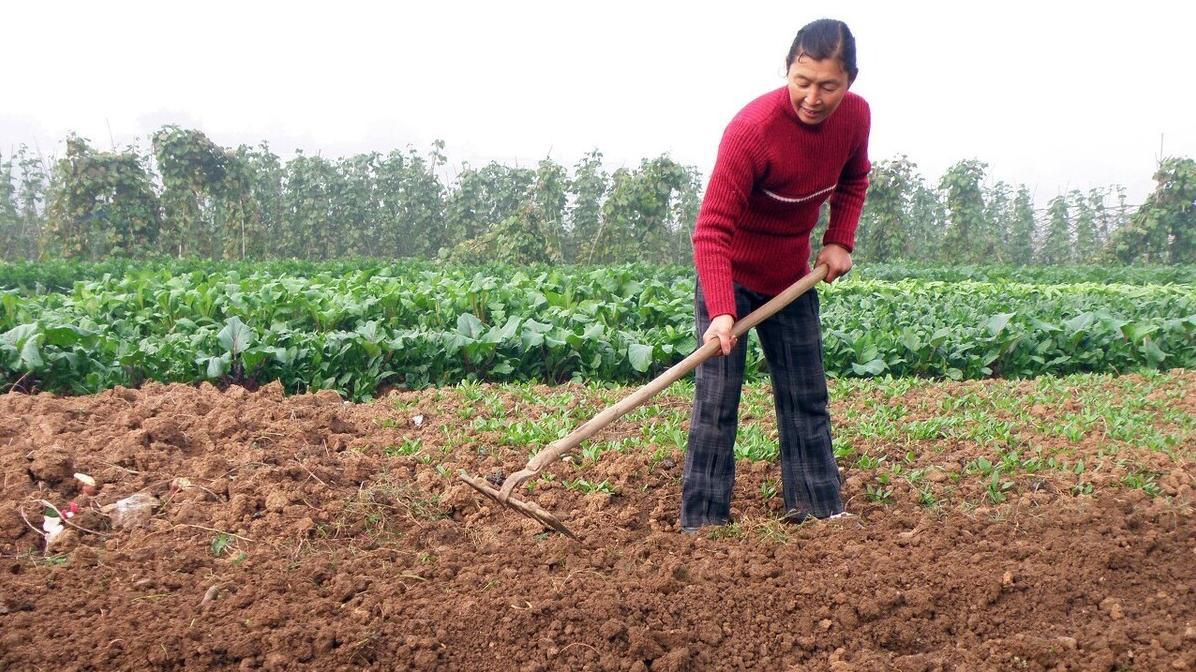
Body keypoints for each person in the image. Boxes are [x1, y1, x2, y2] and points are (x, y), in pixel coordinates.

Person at [681, 18, 870, 531]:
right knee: (716, 403)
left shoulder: (855, 118)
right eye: (802, 82)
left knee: (804, 395)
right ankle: (703, 525)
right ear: (787, 71)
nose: (813, 97)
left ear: (849, 80)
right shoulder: (753, 130)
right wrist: (721, 312)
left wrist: (838, 239)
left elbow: (854, 179)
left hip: (790, 280)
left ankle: (818, 511)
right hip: (731, 274)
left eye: (828, 86)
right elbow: (711, 230)